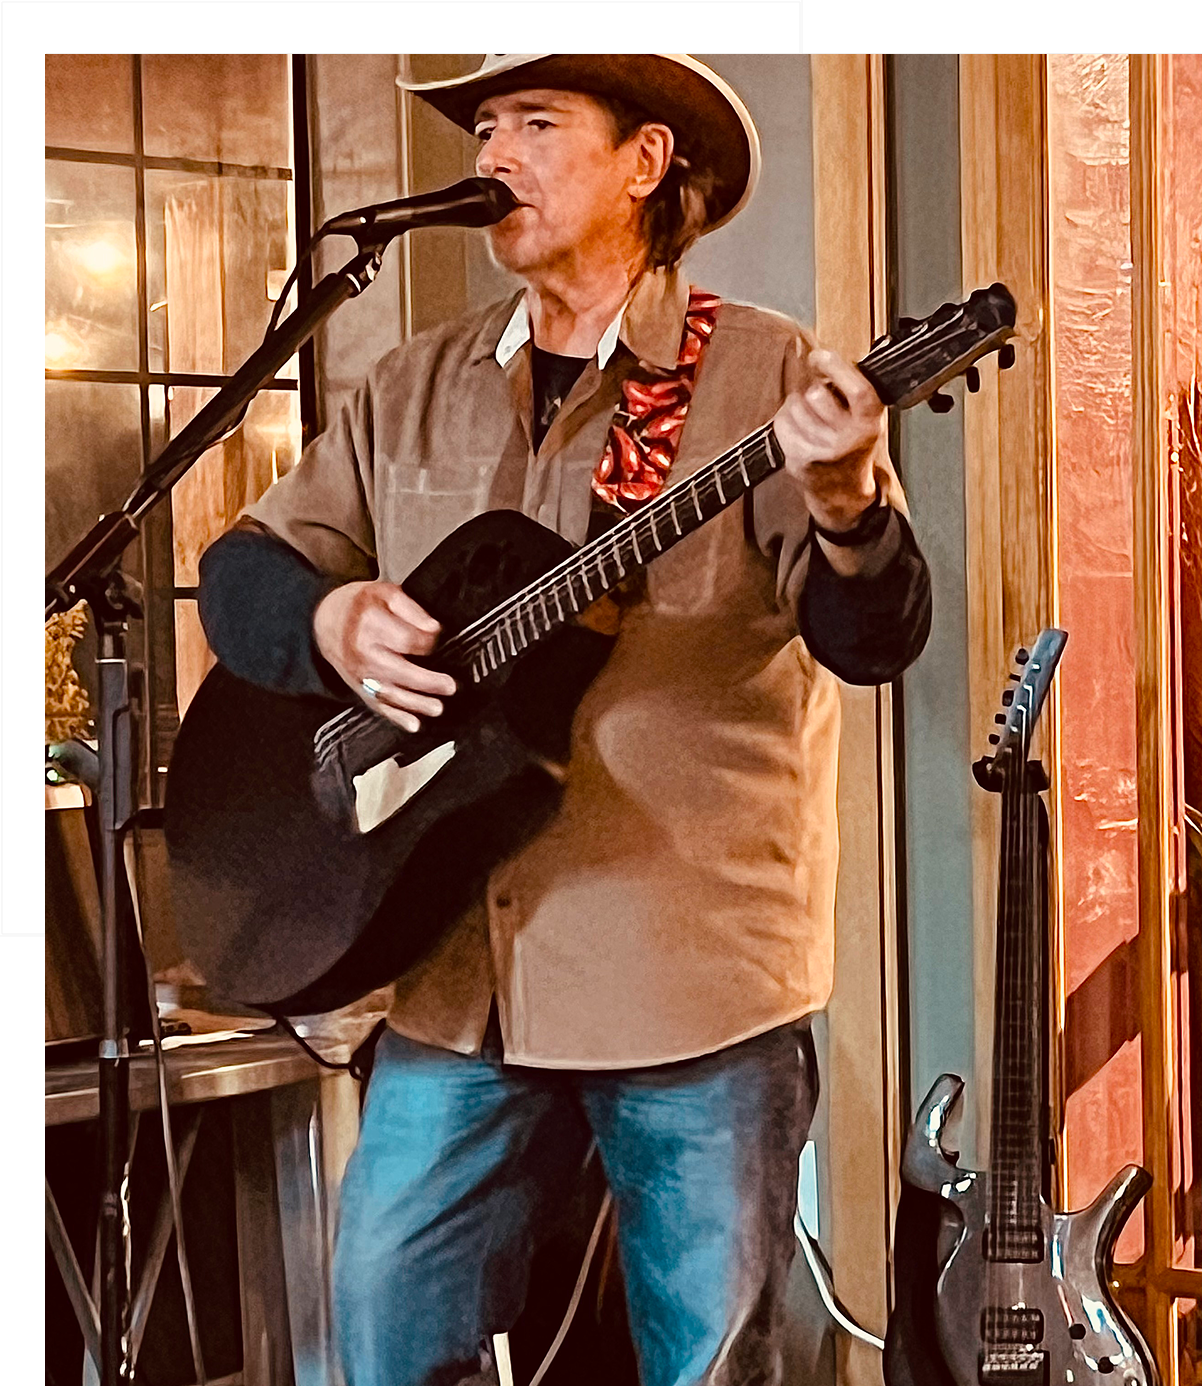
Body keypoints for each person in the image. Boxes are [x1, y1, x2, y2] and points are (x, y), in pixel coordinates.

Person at [196, 53, 931, 1386]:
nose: (493, 151)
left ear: (646, 162)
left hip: (689, 984)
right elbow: (245, 574)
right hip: (453, 974)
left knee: (714, 1366)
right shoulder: (409, 383)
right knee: (377, 1333)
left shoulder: (765, 372)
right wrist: (332, 622)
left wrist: (845, 510)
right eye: (484, 123)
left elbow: (869, 639)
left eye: (536, 121)